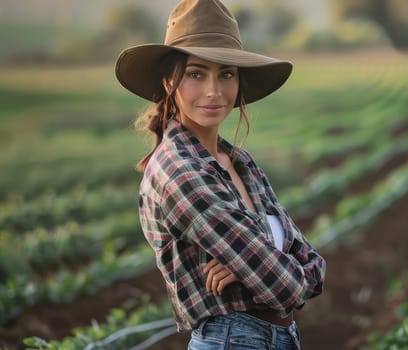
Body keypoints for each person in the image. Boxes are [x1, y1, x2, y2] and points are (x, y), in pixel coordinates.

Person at [114, 1, 326, 349]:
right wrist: (271, 258)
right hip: (232, 339)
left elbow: (313, 261)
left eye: (226, 74)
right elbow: (282, 286)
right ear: (170, 82)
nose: (214, 91)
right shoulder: (180, 172)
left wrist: (258, 259)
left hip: (278, 337)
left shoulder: (239, 161)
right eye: (196, 74)